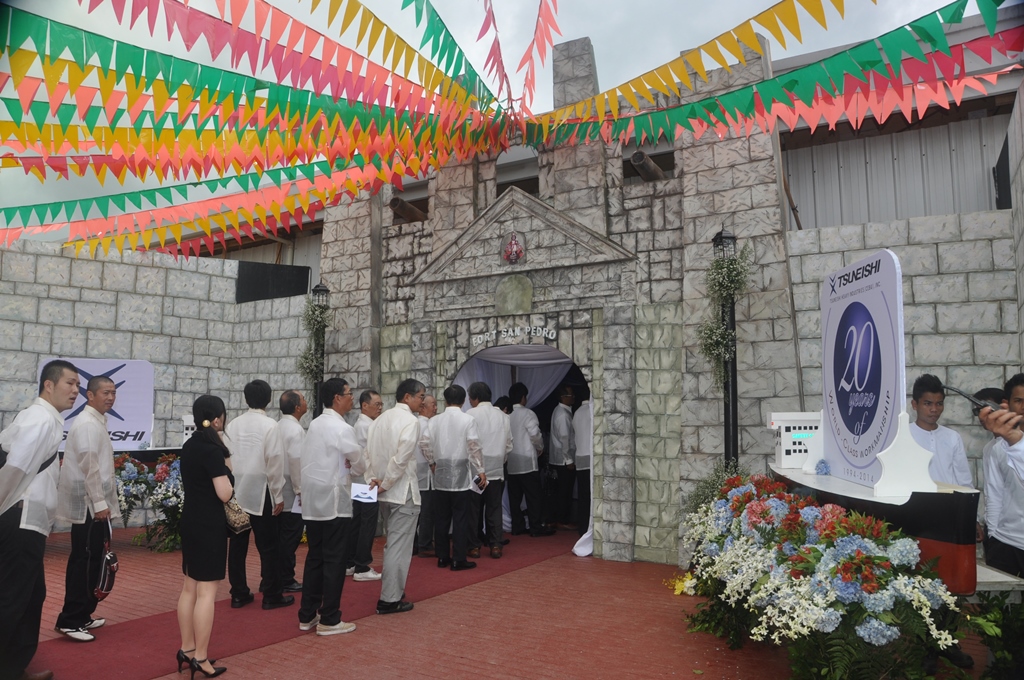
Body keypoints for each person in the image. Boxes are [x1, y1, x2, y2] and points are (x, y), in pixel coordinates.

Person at [0, 359, 79, 680]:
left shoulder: (45, 418)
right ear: (49, 385)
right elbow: (15, 469)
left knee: (30, 596)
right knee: (14, 597)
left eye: (78, 385)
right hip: (20, 520)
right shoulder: (40, 420)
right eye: (69, 384)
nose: (76, 391)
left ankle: (12, 667)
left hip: (27, 521)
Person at [55, 375, 120, 642]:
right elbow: (89, 466)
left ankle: (83, 615)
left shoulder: (96, 421)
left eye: (114, 392)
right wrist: (100, 503)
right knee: (82, 561)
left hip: (94, 507)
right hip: (89, 508)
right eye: (105, 392)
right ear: (90, 395)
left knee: (92, 560)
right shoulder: (87, 424)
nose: (111, 397)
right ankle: (69, 619)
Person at [298, 378, 364, 636]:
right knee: (335, 560)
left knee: (315, 557)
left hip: (314, 500)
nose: (352, 398)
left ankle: (307, 614)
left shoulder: (314, 424)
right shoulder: (342, 428)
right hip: (335, 500)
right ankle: (330, 619)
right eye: (349, 394)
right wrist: (355, 467)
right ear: (337, 398)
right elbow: (358, 462)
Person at [177, 395, 233, 678]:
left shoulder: (189, 445)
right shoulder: (213, 450)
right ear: (218, 418)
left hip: (190, 520)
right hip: (209, 524)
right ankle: (201, 656)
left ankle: (187, 649)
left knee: (190, 588)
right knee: (207, 593)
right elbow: (224, 493)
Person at [364, 379, 430, 615]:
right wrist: (387, 482)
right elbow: (401, 459)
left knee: (393, 544)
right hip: (402, 491)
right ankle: (389, 599)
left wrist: (374, 480)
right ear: (407, 397)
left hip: (384, 490)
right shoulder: (410, 421)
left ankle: (394, 591)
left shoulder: (379, 421)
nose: (423, 401)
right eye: (421, 397)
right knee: (398, 547)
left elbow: (368, 455)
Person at [225, 380, 292, 611]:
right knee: (269, 546)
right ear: (269, 399)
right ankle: (271, 594)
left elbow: (227, 458)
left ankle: (238, 593)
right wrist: (278, 494)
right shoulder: (270, 425)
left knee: (237, 545)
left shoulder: (232, 424)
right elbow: (274, 462)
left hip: (236, 489)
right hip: (261, 489)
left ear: (245, 399)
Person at [430, 385, 485, 571]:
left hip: (441, 473)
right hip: (461, 473)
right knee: (461, 518)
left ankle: (442, 556)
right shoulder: (468, 419)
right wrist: (481, 469)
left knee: (442, 519)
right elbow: (473, 446)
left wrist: (432, 461)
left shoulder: (434, 420)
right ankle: (458, 558)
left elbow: (424, 442)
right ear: (463, 401)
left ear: (445, 400)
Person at [982, 377, 1024, 577]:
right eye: (1019, 400)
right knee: (1000, 608)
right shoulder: (996, 448)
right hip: (1007, 542)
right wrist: (993, 536)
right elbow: (994, 493)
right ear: (1007, 404)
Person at [467, 382, 512, 559]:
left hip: (475, 471)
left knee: (474, 509)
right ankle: (495, 545)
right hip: (496, 469)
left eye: (470, 398)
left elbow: (469, 444)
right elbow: (509, 445)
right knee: (494, 508)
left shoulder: (470, 415)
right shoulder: (503, 416)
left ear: (476, 398)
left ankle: (474, 545)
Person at [506, 383, 554, 537]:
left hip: (512, 460)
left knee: (515, 497)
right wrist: (540, 447)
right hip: (527, 460)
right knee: (533, 496)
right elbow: (534, 433)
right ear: (523, 398)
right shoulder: (528, 413)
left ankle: (517, 526)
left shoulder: (508, 416)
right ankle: (535, 526)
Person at [908, 374, 973, 487]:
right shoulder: (903, 435)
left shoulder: (952, 437)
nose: (934, 409)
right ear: (915, 405)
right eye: (927, 404)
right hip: (912, 503)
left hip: (948, 502)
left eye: (939, 404)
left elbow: (964, 481)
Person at [348, 390, 383, 582]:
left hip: (361, 479)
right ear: (364, 405)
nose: (379, 408)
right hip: (367, 480)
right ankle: (361, 565)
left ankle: (351, 562)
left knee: (359, 521)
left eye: (381, 405)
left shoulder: (363, 424)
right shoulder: (366, 425)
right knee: (367, 522)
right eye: (376, 404)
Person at [274, 390, 307, 593]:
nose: (306, 402)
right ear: (296, 407)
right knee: (290, 536)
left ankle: (275, 576)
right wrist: (301, 491)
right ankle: (286, 577)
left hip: (278, 488)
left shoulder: (277, 426)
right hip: (292, 491)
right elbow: (296, 462)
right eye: (303, 399)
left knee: (280, 537)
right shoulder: (295, 431)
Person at [548, 384, 577, 530]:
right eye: (570, 395)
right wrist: (569, 460)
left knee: (561, 490)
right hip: (564, 459)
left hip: (559, 458)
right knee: (565, 491)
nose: (573, 398)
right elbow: (565, 438)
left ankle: (558, 517)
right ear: (563, 397)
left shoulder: (560, 410)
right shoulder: (563, 415)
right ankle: (563, 519)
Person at [414, 395, 437, 557]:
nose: (435, 408)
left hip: (416, 473)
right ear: (423, 407)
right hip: (426, 474)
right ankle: (425, 544)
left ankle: (416, 544)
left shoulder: (414, 423)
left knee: (417, 512)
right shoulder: (426, 424)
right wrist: (432, 462)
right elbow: (425, 444)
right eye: (433, 405)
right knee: (427, 511)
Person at [573, 389, 593, 536]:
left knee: (583, 495)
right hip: (590, 457)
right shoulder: (592, 411)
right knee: (591, 495)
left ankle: (582, 526)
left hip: (579, 456)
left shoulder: (577, 413)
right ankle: (590, 526)